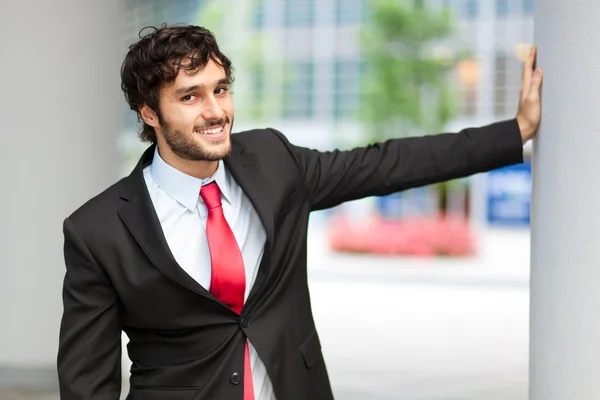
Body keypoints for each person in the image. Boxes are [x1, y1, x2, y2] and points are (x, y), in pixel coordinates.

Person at [57, 24, 543, 400]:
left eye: (220, 89)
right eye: (190, 96)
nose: (216, 111)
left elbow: (386, 163)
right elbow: (86, 383)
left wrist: (515, 131)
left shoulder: (273, 161)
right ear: (148, 113)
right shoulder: (97, 230)